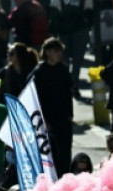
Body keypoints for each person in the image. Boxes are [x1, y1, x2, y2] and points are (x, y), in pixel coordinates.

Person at [29, 38, 74, 179]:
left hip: (63, 118)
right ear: (47, 52)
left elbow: (68, 94)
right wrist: (43, 121)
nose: (59, 54)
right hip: (46, 119)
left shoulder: (63, 70)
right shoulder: (39, 72)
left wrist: (70, 114)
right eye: (56, 51)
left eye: (60, 51)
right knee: (49, 155)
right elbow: (34, 98)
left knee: (64, 153)